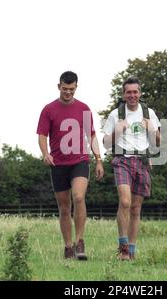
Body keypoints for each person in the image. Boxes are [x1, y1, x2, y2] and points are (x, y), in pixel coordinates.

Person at [37, 71, 104, 260]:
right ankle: (68, 247)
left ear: (76, 87)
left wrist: (98, 159)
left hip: (80, 161)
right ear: (58, 87)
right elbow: (42, 135)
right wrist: (45, 154)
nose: (68, 92)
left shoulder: (84, 108)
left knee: (79, 196)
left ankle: (80, 242)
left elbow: (91, 135)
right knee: (64, 207)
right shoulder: (48, 109)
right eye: (65, 89)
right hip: (58, 163)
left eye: (71, 89)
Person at [102, 77, 161, 260]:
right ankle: (123, 248)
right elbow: (105, 144)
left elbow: (159, 142)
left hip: (142, 160)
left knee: (135, 208)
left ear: (140, 93)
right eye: (129, 92)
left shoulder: (148, 112)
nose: (132, 95)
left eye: (135, 92)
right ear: (123, 94)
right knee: (125, 202)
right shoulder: (115, 114)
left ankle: (132, 251)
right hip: (122, 160)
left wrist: (152, 129)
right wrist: (117, 132)